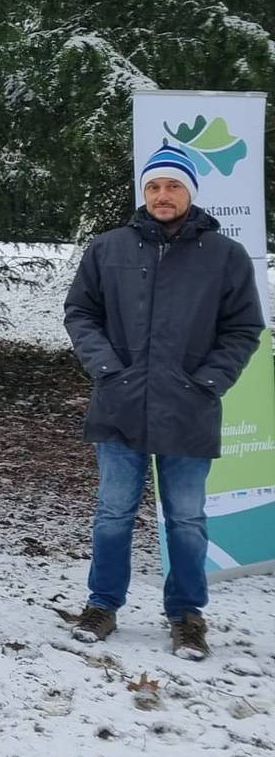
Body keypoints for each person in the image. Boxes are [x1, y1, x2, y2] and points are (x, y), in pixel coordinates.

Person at [62, 141, 262, 660]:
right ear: (143, 192)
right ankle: (102, 604)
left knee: (187, 519)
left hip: (189, 408)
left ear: (190, 192)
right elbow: (81, 313)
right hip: (121, 405)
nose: (162, 195)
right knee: (112, 513)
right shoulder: (109, 248)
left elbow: (244, 328)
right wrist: (107, 369)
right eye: (153, 186)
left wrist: (210, 381)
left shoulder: (225, 256)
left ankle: (187, 615)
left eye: (173, 185)